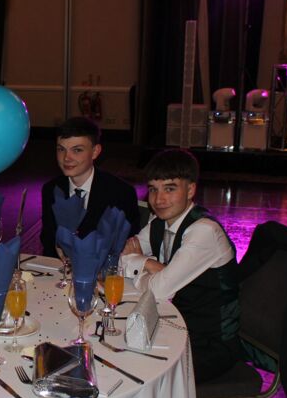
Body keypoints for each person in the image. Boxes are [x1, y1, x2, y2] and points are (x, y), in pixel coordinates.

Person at [120, 149, 242, 382]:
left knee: (136, 369)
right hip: (174, 326)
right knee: (118, 347)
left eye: (170, 188)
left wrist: (145, 263)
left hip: (209, 344)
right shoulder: (160, 222)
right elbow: (121, 259)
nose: (158, 199)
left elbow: (158, 291)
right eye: (153, 189)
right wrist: (152, 267)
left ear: (191, 190)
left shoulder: (204, 231)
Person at [40, 116, 139, 257]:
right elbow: (48, 241)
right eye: (61, 149)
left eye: (77, 150)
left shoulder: (121, 192)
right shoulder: (51, 189)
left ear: (95, 152)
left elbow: (125, 247)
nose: (66, 158)